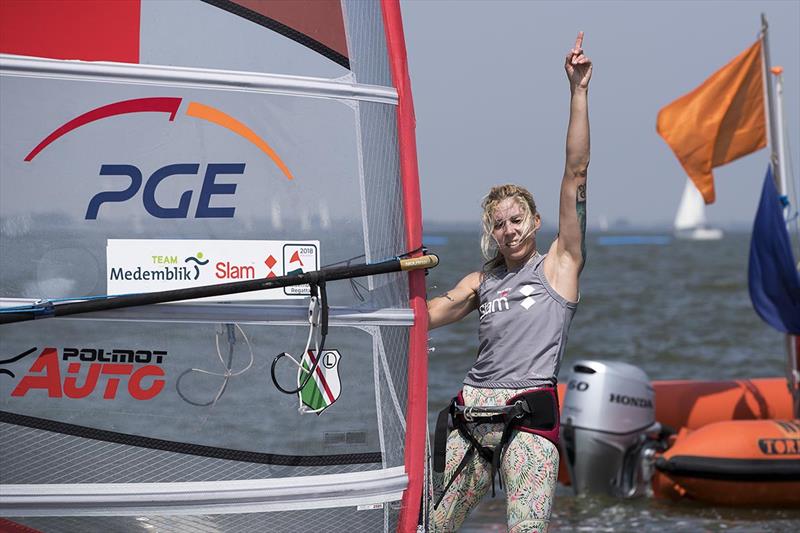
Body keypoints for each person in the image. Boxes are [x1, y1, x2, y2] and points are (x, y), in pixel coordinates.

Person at [427, 32, 591, 532]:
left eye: (516, 219)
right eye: (498, 224)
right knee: (432, 526)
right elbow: (426, 316)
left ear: (536, 221)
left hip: (529, 422)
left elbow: (576, 172)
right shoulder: (482, 281)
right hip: (472, 416)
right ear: (490, 232)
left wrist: (578, 92)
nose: (508, 229)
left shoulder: (559, 267)